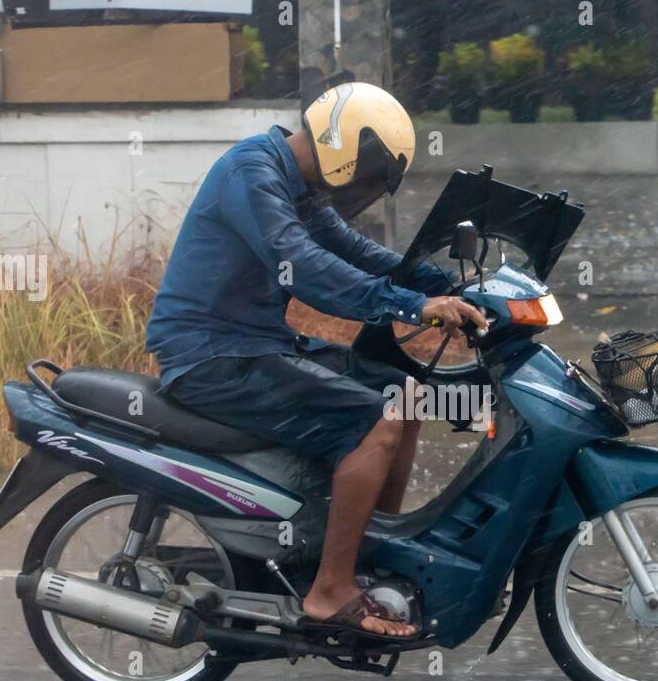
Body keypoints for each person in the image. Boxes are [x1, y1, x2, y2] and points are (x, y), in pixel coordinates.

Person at [146, 82, 485, 638]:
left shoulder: (296, 185)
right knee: (380, 419)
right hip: (210, 356)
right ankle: (330, 589)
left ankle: (368, 555)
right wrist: (411, 306)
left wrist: (446, 285)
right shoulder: (251, 173)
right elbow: (301, 264)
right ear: (344, 144)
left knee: (405, 393)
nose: (366, 186)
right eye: (370, 171)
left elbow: (355, 251)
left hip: (254, 346)